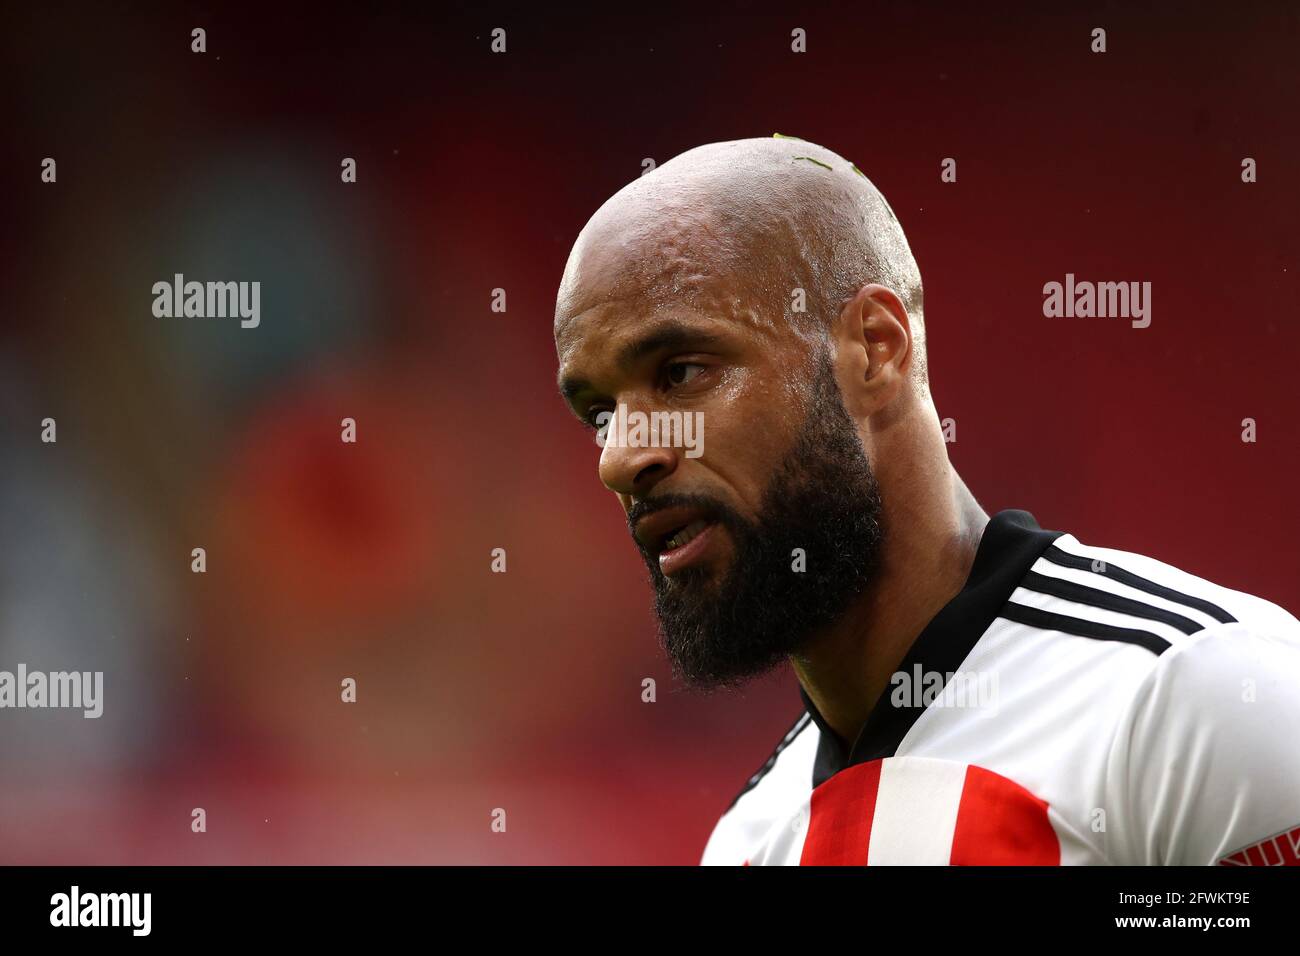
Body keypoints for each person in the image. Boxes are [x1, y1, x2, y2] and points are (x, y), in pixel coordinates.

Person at [553, 136, 1300, 865]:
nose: (620, 457)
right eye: (598, 413)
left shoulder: (1197, 698)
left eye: (681, 372)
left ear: (876, 350)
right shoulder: (749, 843)